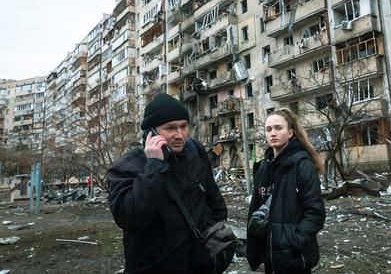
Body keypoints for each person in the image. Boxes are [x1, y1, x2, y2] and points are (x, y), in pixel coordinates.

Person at [107, 93, 228, 273]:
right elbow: (130, 218)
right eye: (170, 128)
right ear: (151, 132)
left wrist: (214, 238)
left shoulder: (194, 152)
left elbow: (215, 201)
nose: (179, 135)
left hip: (199, 265)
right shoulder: (126, 168)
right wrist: (155, 165)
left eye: (183, 126)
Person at [246, 108, 326, 274]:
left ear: (290, 133)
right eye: (268, 129)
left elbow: (315, 213)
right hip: (270, 257)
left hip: (295, 257)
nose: (272, 133)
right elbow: (257, 207)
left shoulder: (302, 165)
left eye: (278, 128)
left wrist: (293, 242)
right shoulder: (263, 167)